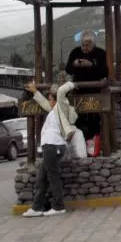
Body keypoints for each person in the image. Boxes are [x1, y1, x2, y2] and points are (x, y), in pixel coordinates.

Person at [22, 81, 77, 217]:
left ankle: (58, 206)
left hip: (54, 146)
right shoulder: (53, 110)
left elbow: (61, 92)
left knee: (52, 177)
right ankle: (37, 207)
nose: (49, 102)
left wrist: (71, 83)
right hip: (50, 146)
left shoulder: (61, 107)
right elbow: (44, 103)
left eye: (51, 99)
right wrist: (35, 91)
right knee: (42, 177)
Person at [64, 30, 109, 139]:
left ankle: (96, 142)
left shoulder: (100, 53)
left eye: (87, 45)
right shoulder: (75, 52)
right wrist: (75, 64)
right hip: (79, 90)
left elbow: (104, 71)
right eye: (82, 45)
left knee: (96, 119)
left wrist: (91, 65)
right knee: (78, 119)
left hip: (95, 91)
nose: (84, 48)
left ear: (93, 44)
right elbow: (68, 69)